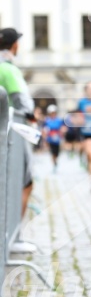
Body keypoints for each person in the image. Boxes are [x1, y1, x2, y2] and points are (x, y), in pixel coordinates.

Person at [0, 27, 35, 219]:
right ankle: (14, 235)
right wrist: (32, 116)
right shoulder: (8, 69)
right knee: (24, 182)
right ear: (15, 45)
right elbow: (23, 101)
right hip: (12, 133)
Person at [42, 104, 66, 171]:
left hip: (57, 138)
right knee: (52, 152)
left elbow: (62, 128)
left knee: (57, 152)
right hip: (50, 138)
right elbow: (44, 129)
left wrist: (62, 132)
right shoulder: (47, 120)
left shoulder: (58, 120)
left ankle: (55, 160)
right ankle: (54, 162)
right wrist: (45, 138)